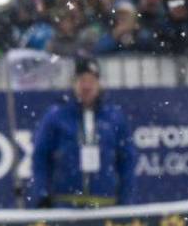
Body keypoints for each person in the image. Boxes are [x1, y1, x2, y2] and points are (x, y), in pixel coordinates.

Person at [29, 58, 136, 208]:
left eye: (91, 80)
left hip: (106, 206)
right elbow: (40, 157)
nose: (86, 86)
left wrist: (126, 199)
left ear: (99, 84)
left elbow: (127, 160)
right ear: (73, 83)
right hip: (65, 205)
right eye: (81, 80)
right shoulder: (56, 116)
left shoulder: (114, 117)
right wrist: (42, 194)